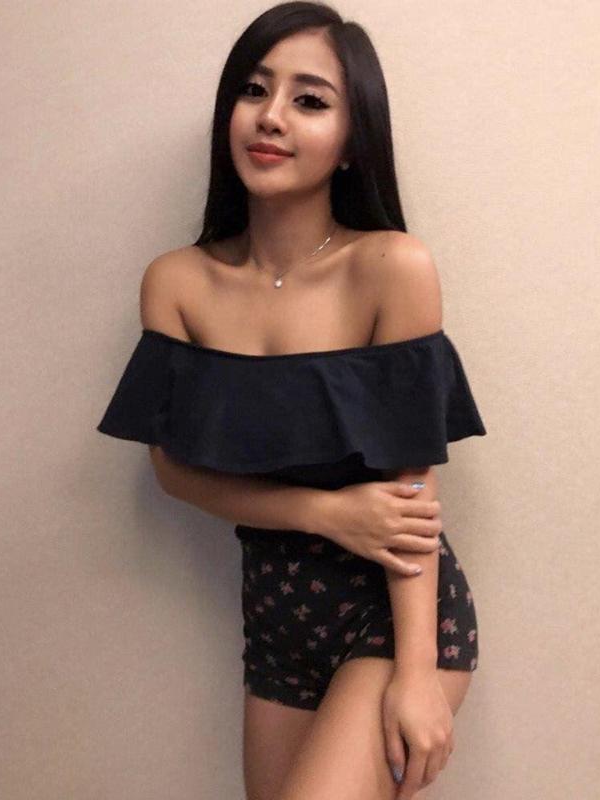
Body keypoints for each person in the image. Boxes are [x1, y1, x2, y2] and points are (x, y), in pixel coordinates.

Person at [96, 3, 487, 798]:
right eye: (253, 89)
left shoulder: (392, 268)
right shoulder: (176, 283)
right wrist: (324, 512)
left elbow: (411, 486)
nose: (271, 116)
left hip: (394, 615)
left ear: (353, 140)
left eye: (309, 100)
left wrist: (416, 675)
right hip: (275, 623)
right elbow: (172, 471)